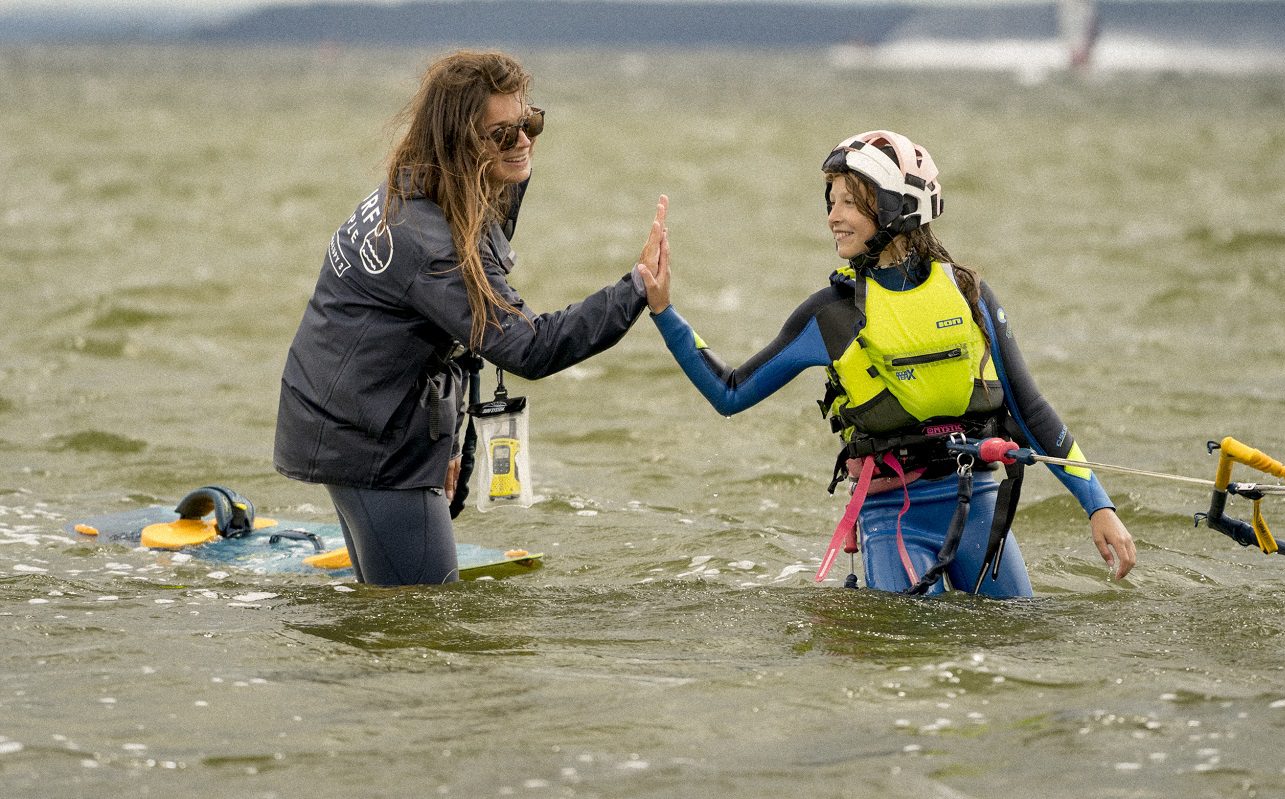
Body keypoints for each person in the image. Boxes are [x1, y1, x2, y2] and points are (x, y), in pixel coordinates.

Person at [637, 130, 1135, 597]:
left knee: (1016, 640)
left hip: (979, 509)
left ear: (897, 208)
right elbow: (729, 393)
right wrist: (662, 310)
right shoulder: (830, 316)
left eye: (850, 201)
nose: (833, 215)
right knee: (908, 653)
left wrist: (1099, 506)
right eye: (831, 202)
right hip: (892, 517)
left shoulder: (968, 296)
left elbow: (1030, 409)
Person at [274, 50, 669, 586]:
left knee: (391, 620)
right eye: (503, 135)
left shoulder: (428, 190)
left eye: (530, 123)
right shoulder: (428, 242)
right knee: (427, 624)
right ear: (459, 142)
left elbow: (453, 331)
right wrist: (636, 288)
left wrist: (443, 445)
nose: (524, 141)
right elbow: (528, 346)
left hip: (349, 424)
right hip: (370, 448)